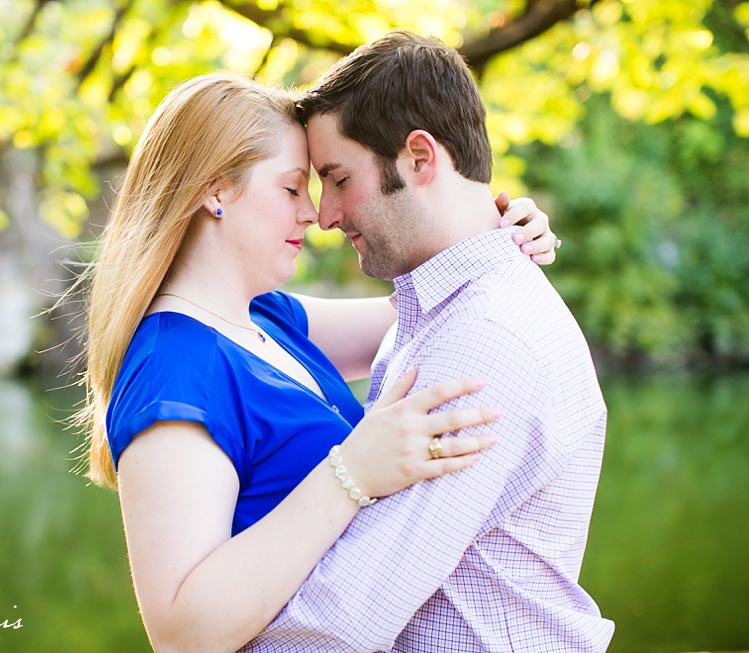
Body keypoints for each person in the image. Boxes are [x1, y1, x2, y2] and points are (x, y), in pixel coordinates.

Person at [76, 73, 557, 653]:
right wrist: (349, 473)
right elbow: (181, 632)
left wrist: (495, 235)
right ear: (216, 191)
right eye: (291, 188)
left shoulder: (265, 317)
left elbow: (435, 312)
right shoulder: (173, 370)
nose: (314, 213)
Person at [242, 31, 614, 653]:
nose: (325, 215)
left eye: (338, 178)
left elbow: (344, 620)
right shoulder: (437, 314)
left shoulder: (483, 340)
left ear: (419, 158)